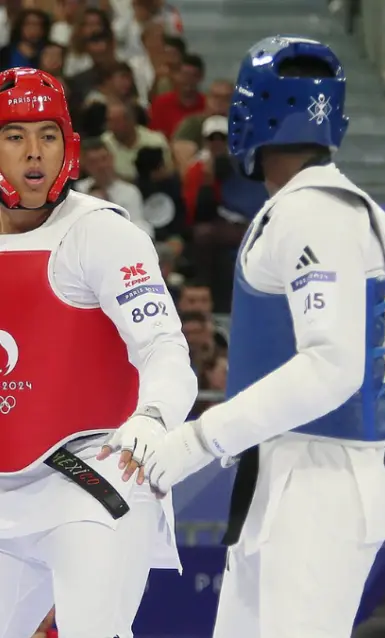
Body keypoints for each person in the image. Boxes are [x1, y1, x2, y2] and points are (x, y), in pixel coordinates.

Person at [143, 36, 385, 637]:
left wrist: (198, 440)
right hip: (292, 467)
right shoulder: (311, 207)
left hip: (320, 478)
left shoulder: (314, 212)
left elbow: (333, 366)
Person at [0, 68, 196, 637]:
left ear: (69, 144)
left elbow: (165, 349)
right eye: (15, 136)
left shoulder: (103, 234)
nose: (34, 152)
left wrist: (152, 417)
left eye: (48, 135)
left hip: (92, 473)